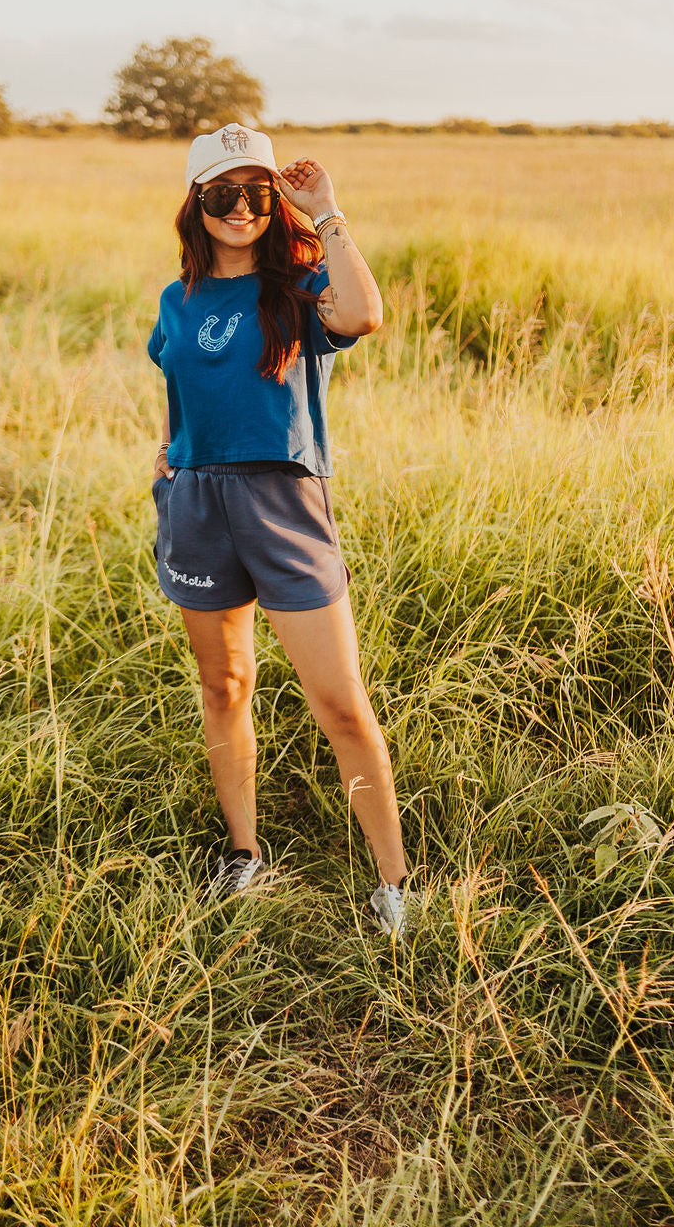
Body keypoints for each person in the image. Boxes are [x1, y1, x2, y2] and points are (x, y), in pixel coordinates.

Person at [147, 122, 410, 938]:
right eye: (223, 193)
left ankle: (395, 884)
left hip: (283, 504)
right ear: (198, 203)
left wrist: (325, 211)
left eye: (255, 193)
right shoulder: (177, 297)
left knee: (340, 703)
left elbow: (365, 315)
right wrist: (167, 451)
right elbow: (177, 379)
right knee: (224, 686)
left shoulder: (299, 285)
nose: (240, 208)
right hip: (197, 505)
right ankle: (244, 856)